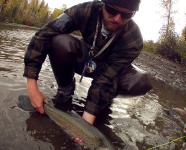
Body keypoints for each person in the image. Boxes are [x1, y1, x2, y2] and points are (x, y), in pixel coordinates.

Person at [23, 0, 152, 126]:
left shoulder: (134, 39)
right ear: (104, 4)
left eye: (126, 14)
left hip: (110, 68)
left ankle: (105, 99)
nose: (117, 19)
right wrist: (32, 88)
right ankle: (65, 90)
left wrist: (85, 124)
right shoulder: (85, 10)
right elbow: (42, 36)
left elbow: (106, 78)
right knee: (59, 41)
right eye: (112, 10)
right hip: (85, 58)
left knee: (139, 81)